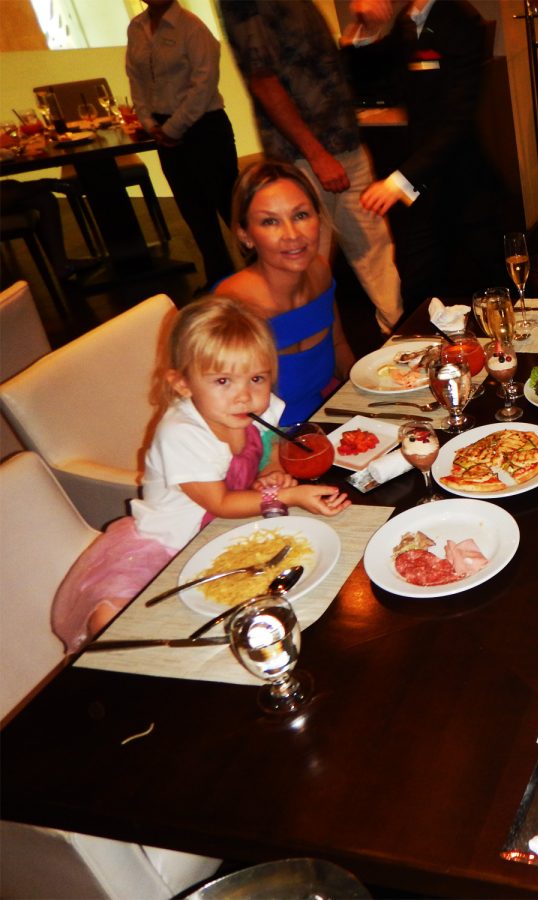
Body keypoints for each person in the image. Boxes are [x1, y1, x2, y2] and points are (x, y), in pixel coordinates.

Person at [50, 297, 350, 653]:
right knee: (117, 622)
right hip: (169, 543)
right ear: (182, 384)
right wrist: (288, 495)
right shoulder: (182, 433)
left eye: (257, 377)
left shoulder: (254, 404)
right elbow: (219, 502)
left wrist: (271, 469)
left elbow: (268, 440)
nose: (244, 396)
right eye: (223, 380)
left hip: (224, 531)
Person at [218, 0, 402, 333]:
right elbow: (263, 80)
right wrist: (317, 155)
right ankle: (315, 353)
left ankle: (400, 337)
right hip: (303, 157)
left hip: (345, 142)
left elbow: (316, 67)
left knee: (375, 251)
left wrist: (361, 30)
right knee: (304, 263)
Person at [355, 0, 508, 313]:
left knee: (497, 283)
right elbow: (378, 78)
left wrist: (398, 181)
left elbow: (456, 121)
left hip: (465, 182)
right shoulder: (406, 20)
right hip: (425, 187)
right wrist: (367, 28)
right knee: (417, 288)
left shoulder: (461, 20)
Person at [215, 160, 356, 427]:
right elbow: (220, 413)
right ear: (245, 235)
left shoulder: (320, 272)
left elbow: (339, 348)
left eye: (300, 215)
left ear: (318, 218)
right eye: (270, 221)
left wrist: (372, 389)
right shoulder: (231, 307)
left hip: (321, 421)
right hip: (258, 439)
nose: (292, 235)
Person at [126, 0, 240, 289]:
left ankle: (261, 276)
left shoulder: (192, 27)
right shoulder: (136, 27)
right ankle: (221, 281)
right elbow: (136, 81)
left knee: (230, 207)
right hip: (163, 129)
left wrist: (173, 128)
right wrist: (149, 123)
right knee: (194, 211)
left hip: (205, 128)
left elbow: (204, 84)